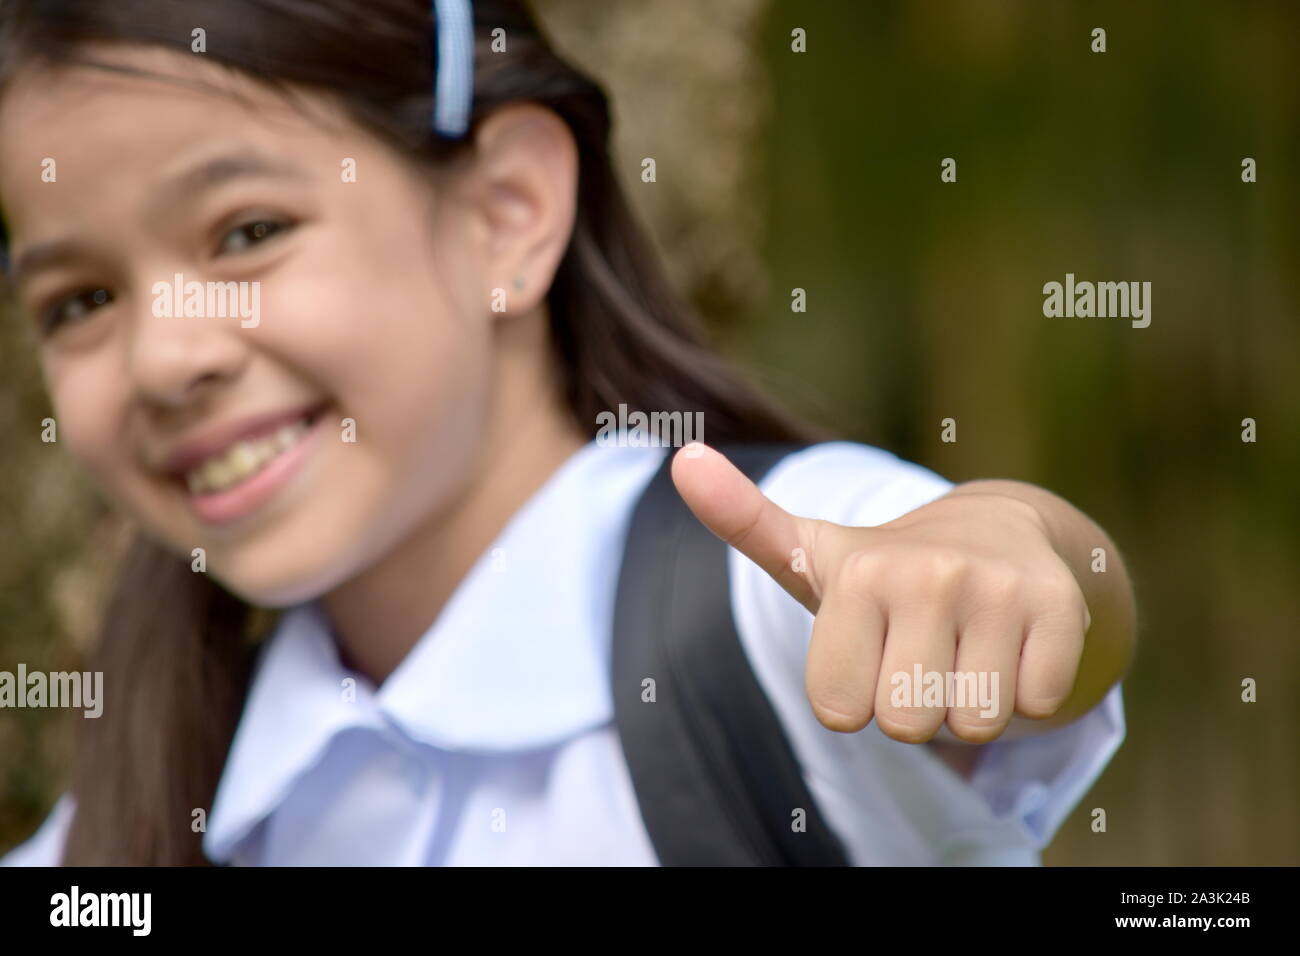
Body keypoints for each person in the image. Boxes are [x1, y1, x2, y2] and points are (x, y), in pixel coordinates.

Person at [0, 0, 1134, 866]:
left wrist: (1006, 556)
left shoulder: (752, 587)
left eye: (247, 230)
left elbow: (1022, 589)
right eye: (79, 301)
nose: (164, 357)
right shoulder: (142, 813)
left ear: (507, 213)